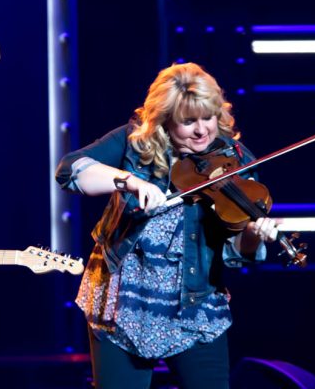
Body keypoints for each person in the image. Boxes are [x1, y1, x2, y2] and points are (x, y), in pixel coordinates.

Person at [55, 62, 279, 389]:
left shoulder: (237, 160)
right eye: (189, 122)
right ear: (165, 120)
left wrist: (253, 236)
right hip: (124, 299)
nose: (202, 130)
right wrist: (128, 181)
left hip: (196, 301)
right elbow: (70, 170)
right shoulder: (135, 143)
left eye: (209, 117)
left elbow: (237, 250)